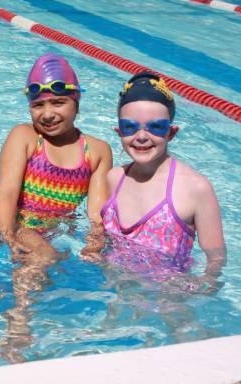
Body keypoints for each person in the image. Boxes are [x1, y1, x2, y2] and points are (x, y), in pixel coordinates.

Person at [93, 71, 226, 283]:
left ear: (171, 132)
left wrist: (202, 289)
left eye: (156, 127)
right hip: (116, 288)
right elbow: (102, 233)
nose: (142, 137)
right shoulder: (114, 178)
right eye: (130, 127)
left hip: (167, 300)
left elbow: (216, 259)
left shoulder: (196, 188)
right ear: (119, 132)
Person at [0, 53, 113, 262]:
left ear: (76, 103)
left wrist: (94, 246)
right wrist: (9, 236)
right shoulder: (25, 137)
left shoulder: (97, 151)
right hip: (17, 224)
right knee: (45, 256)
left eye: (58, 103)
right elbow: (6, 196)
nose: (47, 114)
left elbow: (96, 215)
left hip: (56, 230)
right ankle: (22, 296)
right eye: (38, 105)